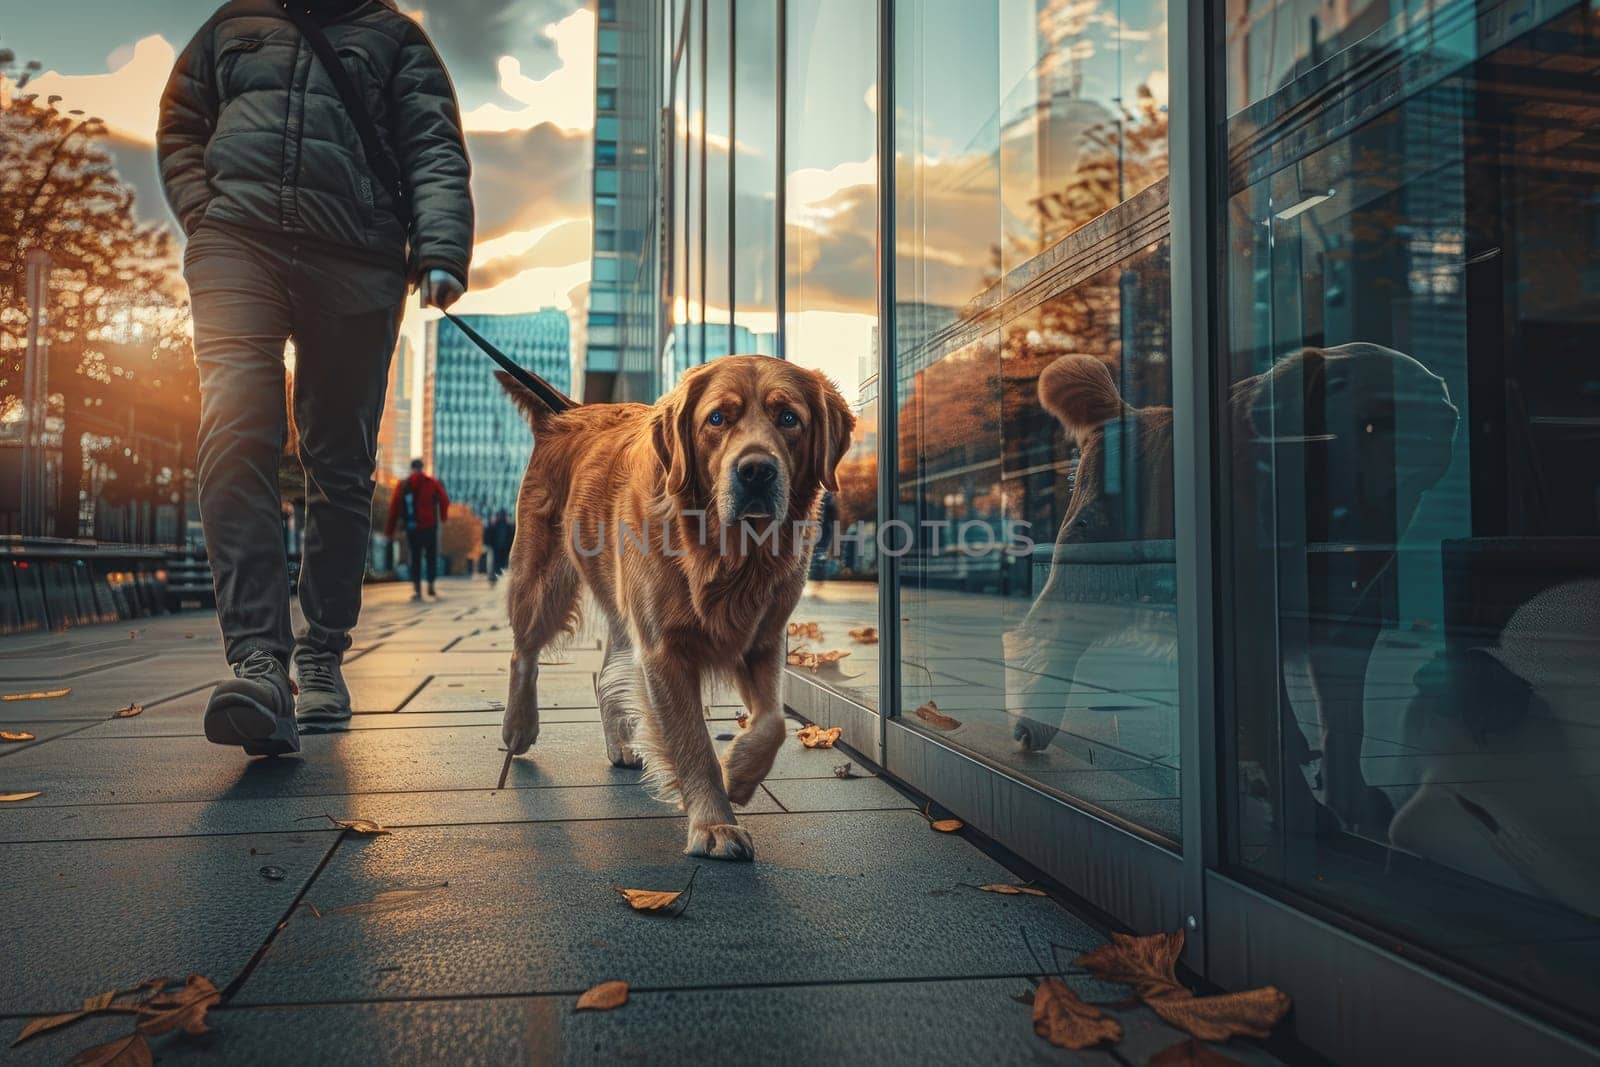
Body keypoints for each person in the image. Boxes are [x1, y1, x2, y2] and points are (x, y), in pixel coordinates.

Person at [158, 0, 474, 751]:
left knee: (339, 461)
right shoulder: (231, 26)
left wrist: (439, 247)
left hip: (358, 258)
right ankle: (259, 660)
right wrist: (205, 215)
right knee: (235, 428)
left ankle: (323, 652)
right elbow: (181, 123)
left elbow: (432, 141)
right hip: (239, 245)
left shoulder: (396, 38)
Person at [386, 459, 450, 601]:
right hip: (430, 526)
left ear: (412, 468)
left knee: (414, 558)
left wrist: (390, 531)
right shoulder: (432, 482)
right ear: (422, 467)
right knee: (431, 556)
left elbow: (394, 508)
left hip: (412, 527)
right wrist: (443, 517)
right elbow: (444, 499)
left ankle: (417, 588)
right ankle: (431, 585)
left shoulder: (404, 484)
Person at [484, 509, 515, 586]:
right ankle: (495, 579)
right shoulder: (496, 525)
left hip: (503, 549)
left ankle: (498, 580)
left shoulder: (507, 526)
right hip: (497, 549)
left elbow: (511, 537)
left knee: (500, 564)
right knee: (497, 564)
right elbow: (488, 535)